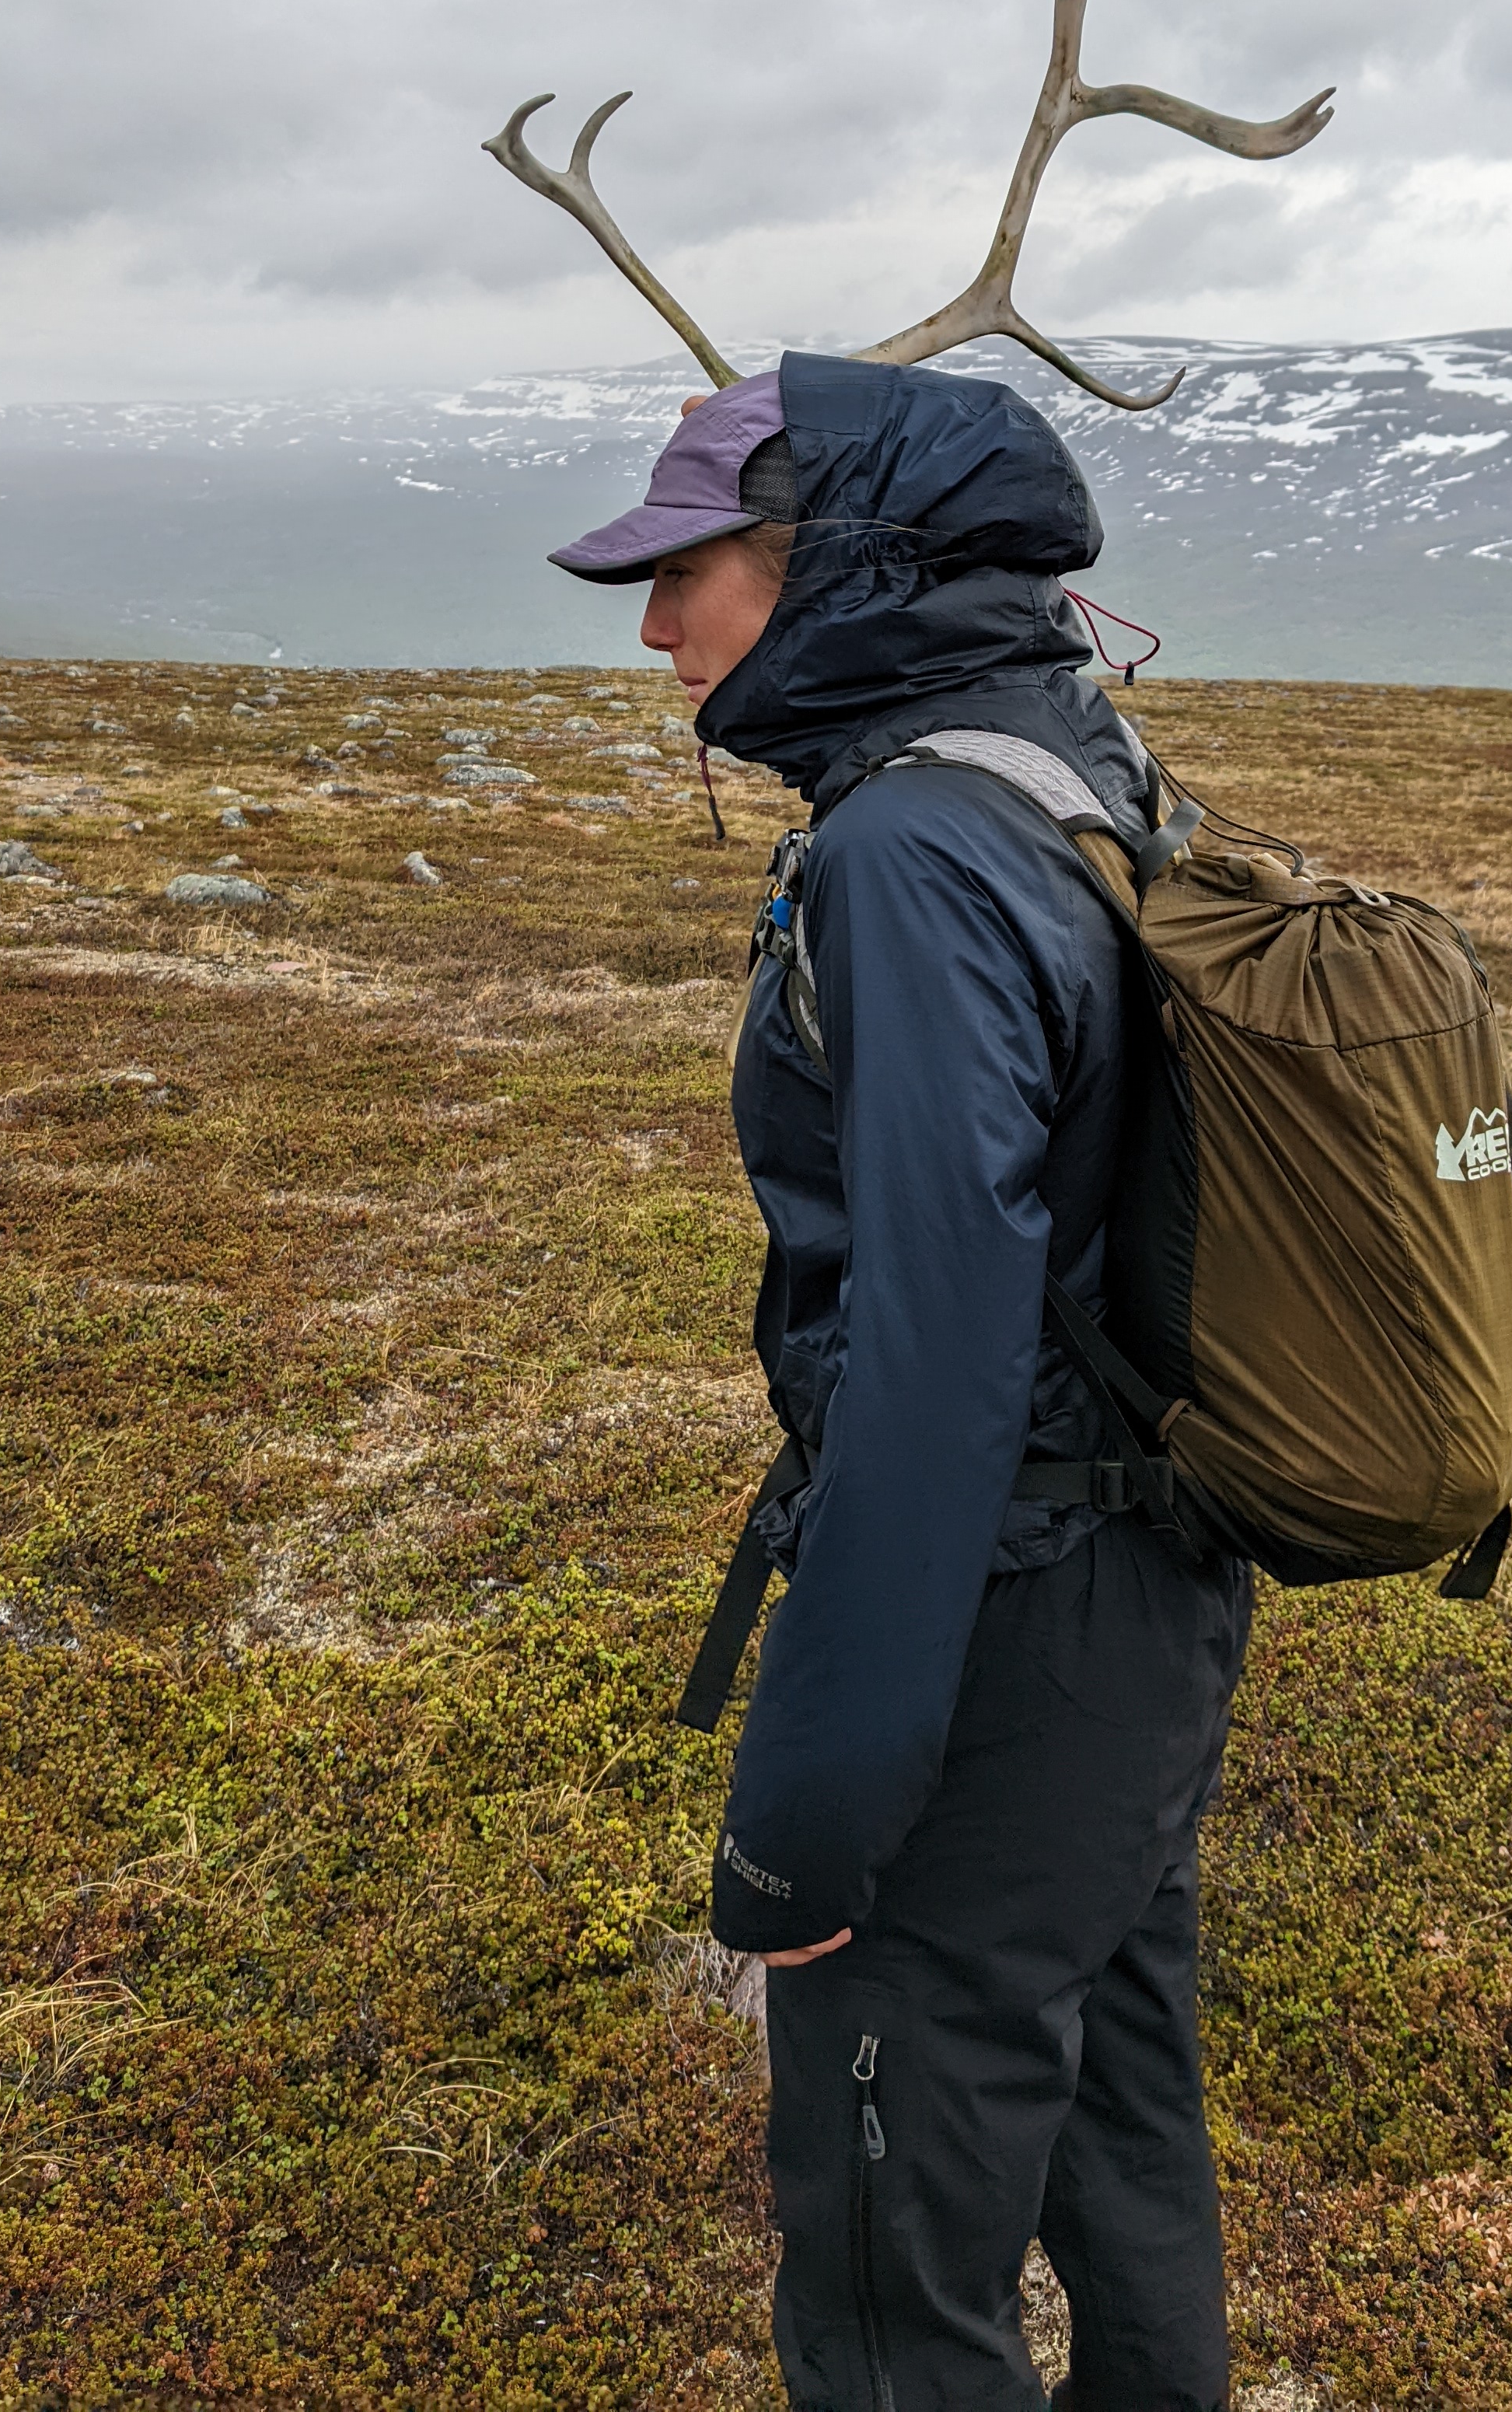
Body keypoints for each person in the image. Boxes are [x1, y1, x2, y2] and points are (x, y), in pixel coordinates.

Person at [551, 352, 1255, 2412]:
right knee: (1122, 2139)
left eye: (689, 571)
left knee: (892, 2283)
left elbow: (932, 1375)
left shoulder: (913, 853)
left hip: (1003, 1637)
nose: (655, 626)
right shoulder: (1078, 769)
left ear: (844, 563)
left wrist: (813, 1828)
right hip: (1147, 1603)